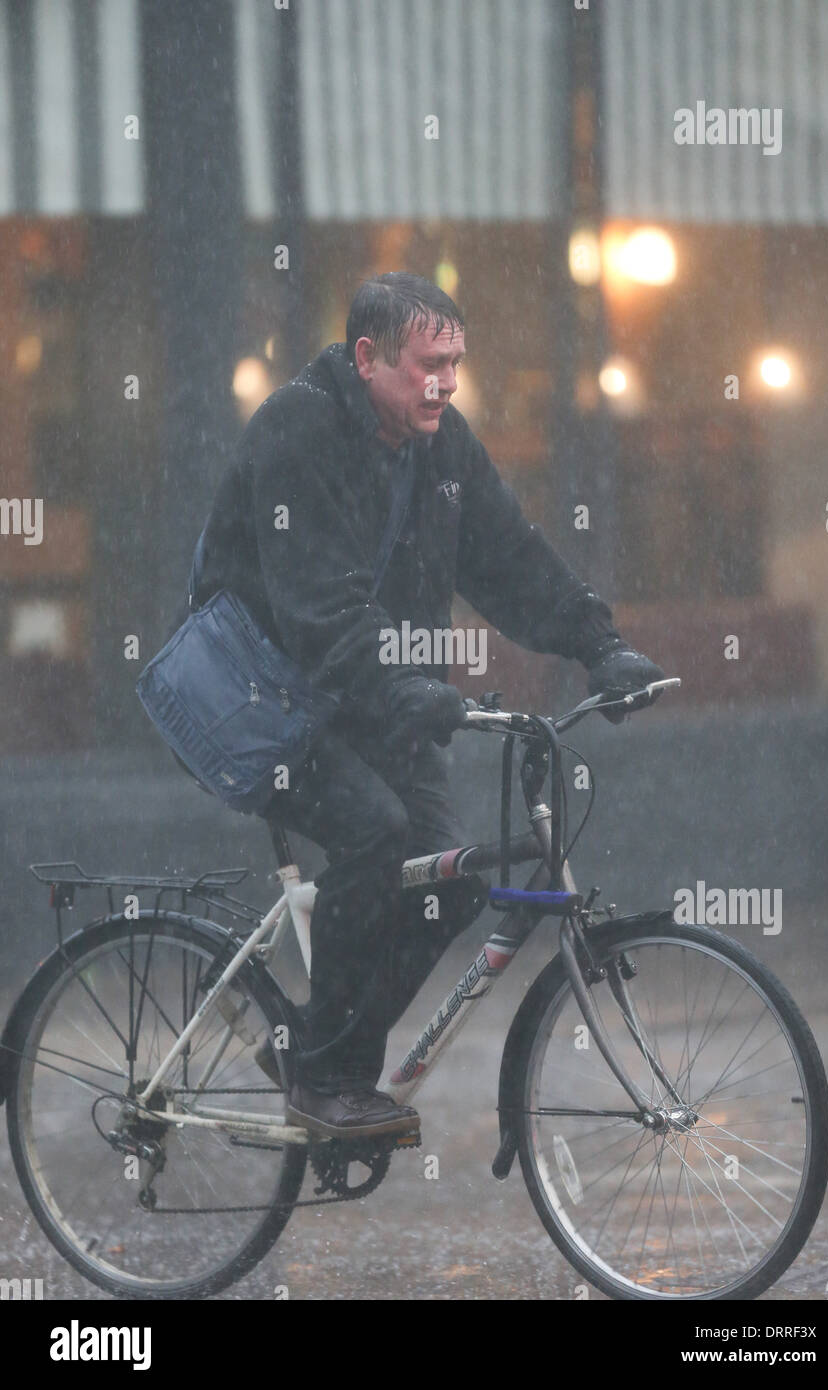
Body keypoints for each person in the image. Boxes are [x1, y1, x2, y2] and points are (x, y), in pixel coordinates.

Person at [186, 272, 663, 1140]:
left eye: (456, 362)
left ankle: (316, 1059)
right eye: (428, 364)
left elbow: (508, 559)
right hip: (256, 696)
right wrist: (410, 687)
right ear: (367, 358)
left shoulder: (439, 445)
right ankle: (325, 1078)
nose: (446, 381)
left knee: (450, 886)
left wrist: (600, 645)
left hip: (365, 699)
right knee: (374, 832)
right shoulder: (299, 430)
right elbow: (318, 613)